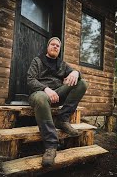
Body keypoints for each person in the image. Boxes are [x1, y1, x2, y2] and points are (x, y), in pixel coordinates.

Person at [27, 37, 88, 167]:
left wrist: (76, 73)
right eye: (53, 44)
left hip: (57, 95)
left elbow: (74, 73)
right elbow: (30, 80)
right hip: (39, 95)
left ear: (59, 50)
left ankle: (62, 119)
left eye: (58, 46)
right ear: (48, 47)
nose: (55, 47)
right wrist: (46, 89)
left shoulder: (62, 64)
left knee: (82, 83)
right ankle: (51, 146)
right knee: (41, 97)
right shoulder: (37, 61)